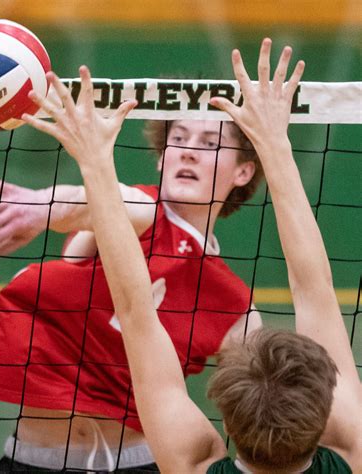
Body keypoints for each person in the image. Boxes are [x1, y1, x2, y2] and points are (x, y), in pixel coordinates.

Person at [26, 40, 362, 472]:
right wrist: (275, 144)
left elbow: (135, 313)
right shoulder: (351, 453)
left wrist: (94, 164)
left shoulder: (197, 461)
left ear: (225, 418)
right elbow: (313, 290)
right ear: (324, 410)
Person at [0, 57, 264, 471]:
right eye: (180, 139)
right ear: (160, 158)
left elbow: (261, 413)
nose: (189, 152)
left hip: (143, 463)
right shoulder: (137, 211)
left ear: (243, 171)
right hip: (32, 462)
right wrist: (40, 207)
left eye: (210, 144)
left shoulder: (236, 310)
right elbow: (94, 201)